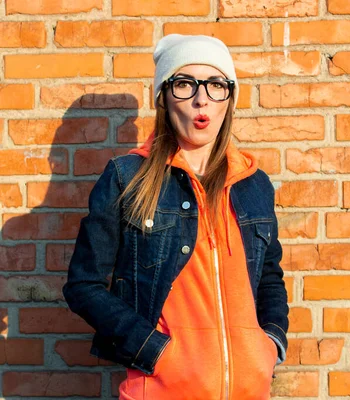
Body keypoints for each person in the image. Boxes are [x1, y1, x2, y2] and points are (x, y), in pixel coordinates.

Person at [63, 34, 289, 400]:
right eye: (185, 84)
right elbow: (83, 286)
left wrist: (271, 342)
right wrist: (152, 350)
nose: (202, 99)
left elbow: (269, 277)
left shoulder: (253, 184)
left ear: (229, 99)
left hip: (251, 391)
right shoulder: (127, 178)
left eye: (216, 85)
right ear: (164, 98)